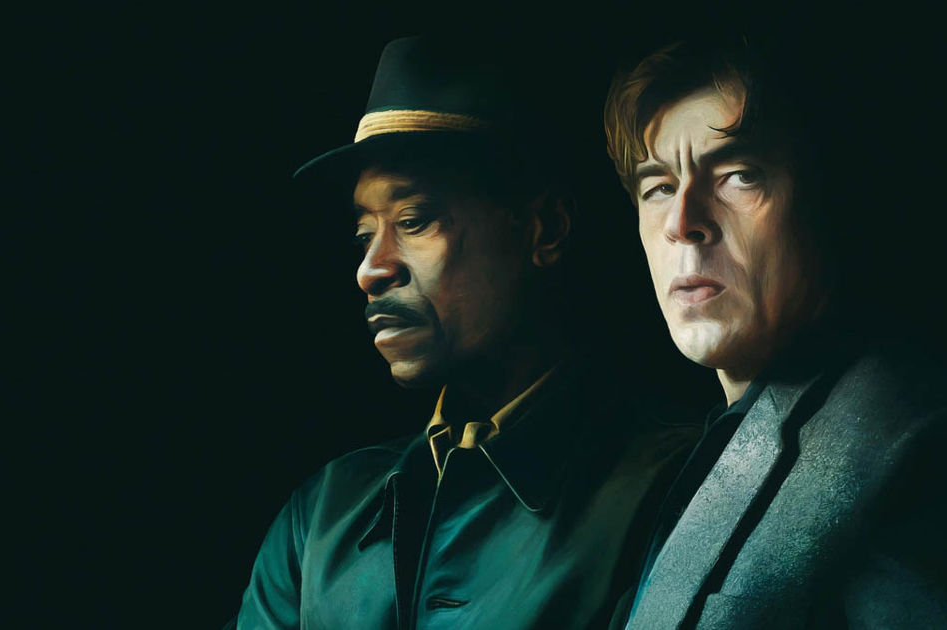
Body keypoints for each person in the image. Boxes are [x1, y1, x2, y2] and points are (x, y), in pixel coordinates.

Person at [603, 38, 947, 628]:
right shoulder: (705, 450)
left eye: (738, 175)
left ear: (821, 196)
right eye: (658, 187)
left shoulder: (929, 449)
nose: (683, 222)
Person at [234, 36, 700, 629]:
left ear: (544, 229)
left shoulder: (677, 487)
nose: (370, 269)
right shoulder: (320, 516)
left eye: (413, 221)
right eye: (364, 234)